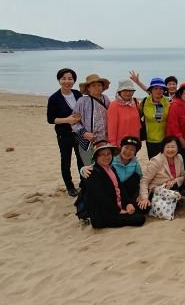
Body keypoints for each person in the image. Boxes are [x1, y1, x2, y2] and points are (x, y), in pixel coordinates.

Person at [84, 141, 146, 228]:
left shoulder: (111, 168)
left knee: (145, 207)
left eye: (109, 154)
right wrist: (117, 210)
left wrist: (128, 203)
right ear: (96, 156)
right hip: (106, 213)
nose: (106, 157)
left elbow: (120, 188)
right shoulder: (93, 172)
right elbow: (100, 197)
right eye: (102, 155)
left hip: (119, 203)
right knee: (140, 219)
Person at [47, 68, 84, 197]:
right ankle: (70, 186)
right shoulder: (54, 98)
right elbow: (51, 119)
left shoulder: (78, 94)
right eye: (64, 79)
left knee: (81, 159)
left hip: (79, 133)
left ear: (74, 80)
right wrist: (67, 120)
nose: (67, 81)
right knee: (66, 160)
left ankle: (84, 183)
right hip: (64, 133)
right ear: (59, 80)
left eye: (70, 79)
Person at [72, 74, 112, 167]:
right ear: (88, 88)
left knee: (105, 166)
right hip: (88, 141)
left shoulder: (105, 99)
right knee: (90, 167)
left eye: (99, 85)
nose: (97, 87)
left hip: (104, 141)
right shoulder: (82, 101)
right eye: (93, 85)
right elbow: (74, 121)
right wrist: (85, 133)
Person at [137, 136, 185, 210]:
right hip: (156, 191)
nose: (170, 150)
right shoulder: (156, 161)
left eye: (173, 147)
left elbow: (183, 176)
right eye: (167, 147)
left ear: (178, 148)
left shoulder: (179, 157)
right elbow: (144, 181)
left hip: (172, 188)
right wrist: (145, 198)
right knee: (144, 209)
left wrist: (174, 181)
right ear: (163, 148)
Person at [139, 77, 170, 159]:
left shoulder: (168, 102)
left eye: (161, 88)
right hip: (151, 139)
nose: (158, 91)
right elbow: (137, 117)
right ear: (151, 90)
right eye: (156, 88)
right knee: (154, 162)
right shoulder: (145, 102)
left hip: (166, 138)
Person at [107, 79, 141, 147]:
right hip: (121, 143)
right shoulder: (114, 106)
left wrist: (138, 141)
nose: (128, 93)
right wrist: (113, 144)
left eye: (130, 91)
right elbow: (112, 127)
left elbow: (137, 124)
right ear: (119, 92)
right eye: (125, 91)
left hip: (134, 142)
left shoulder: (135, 102)